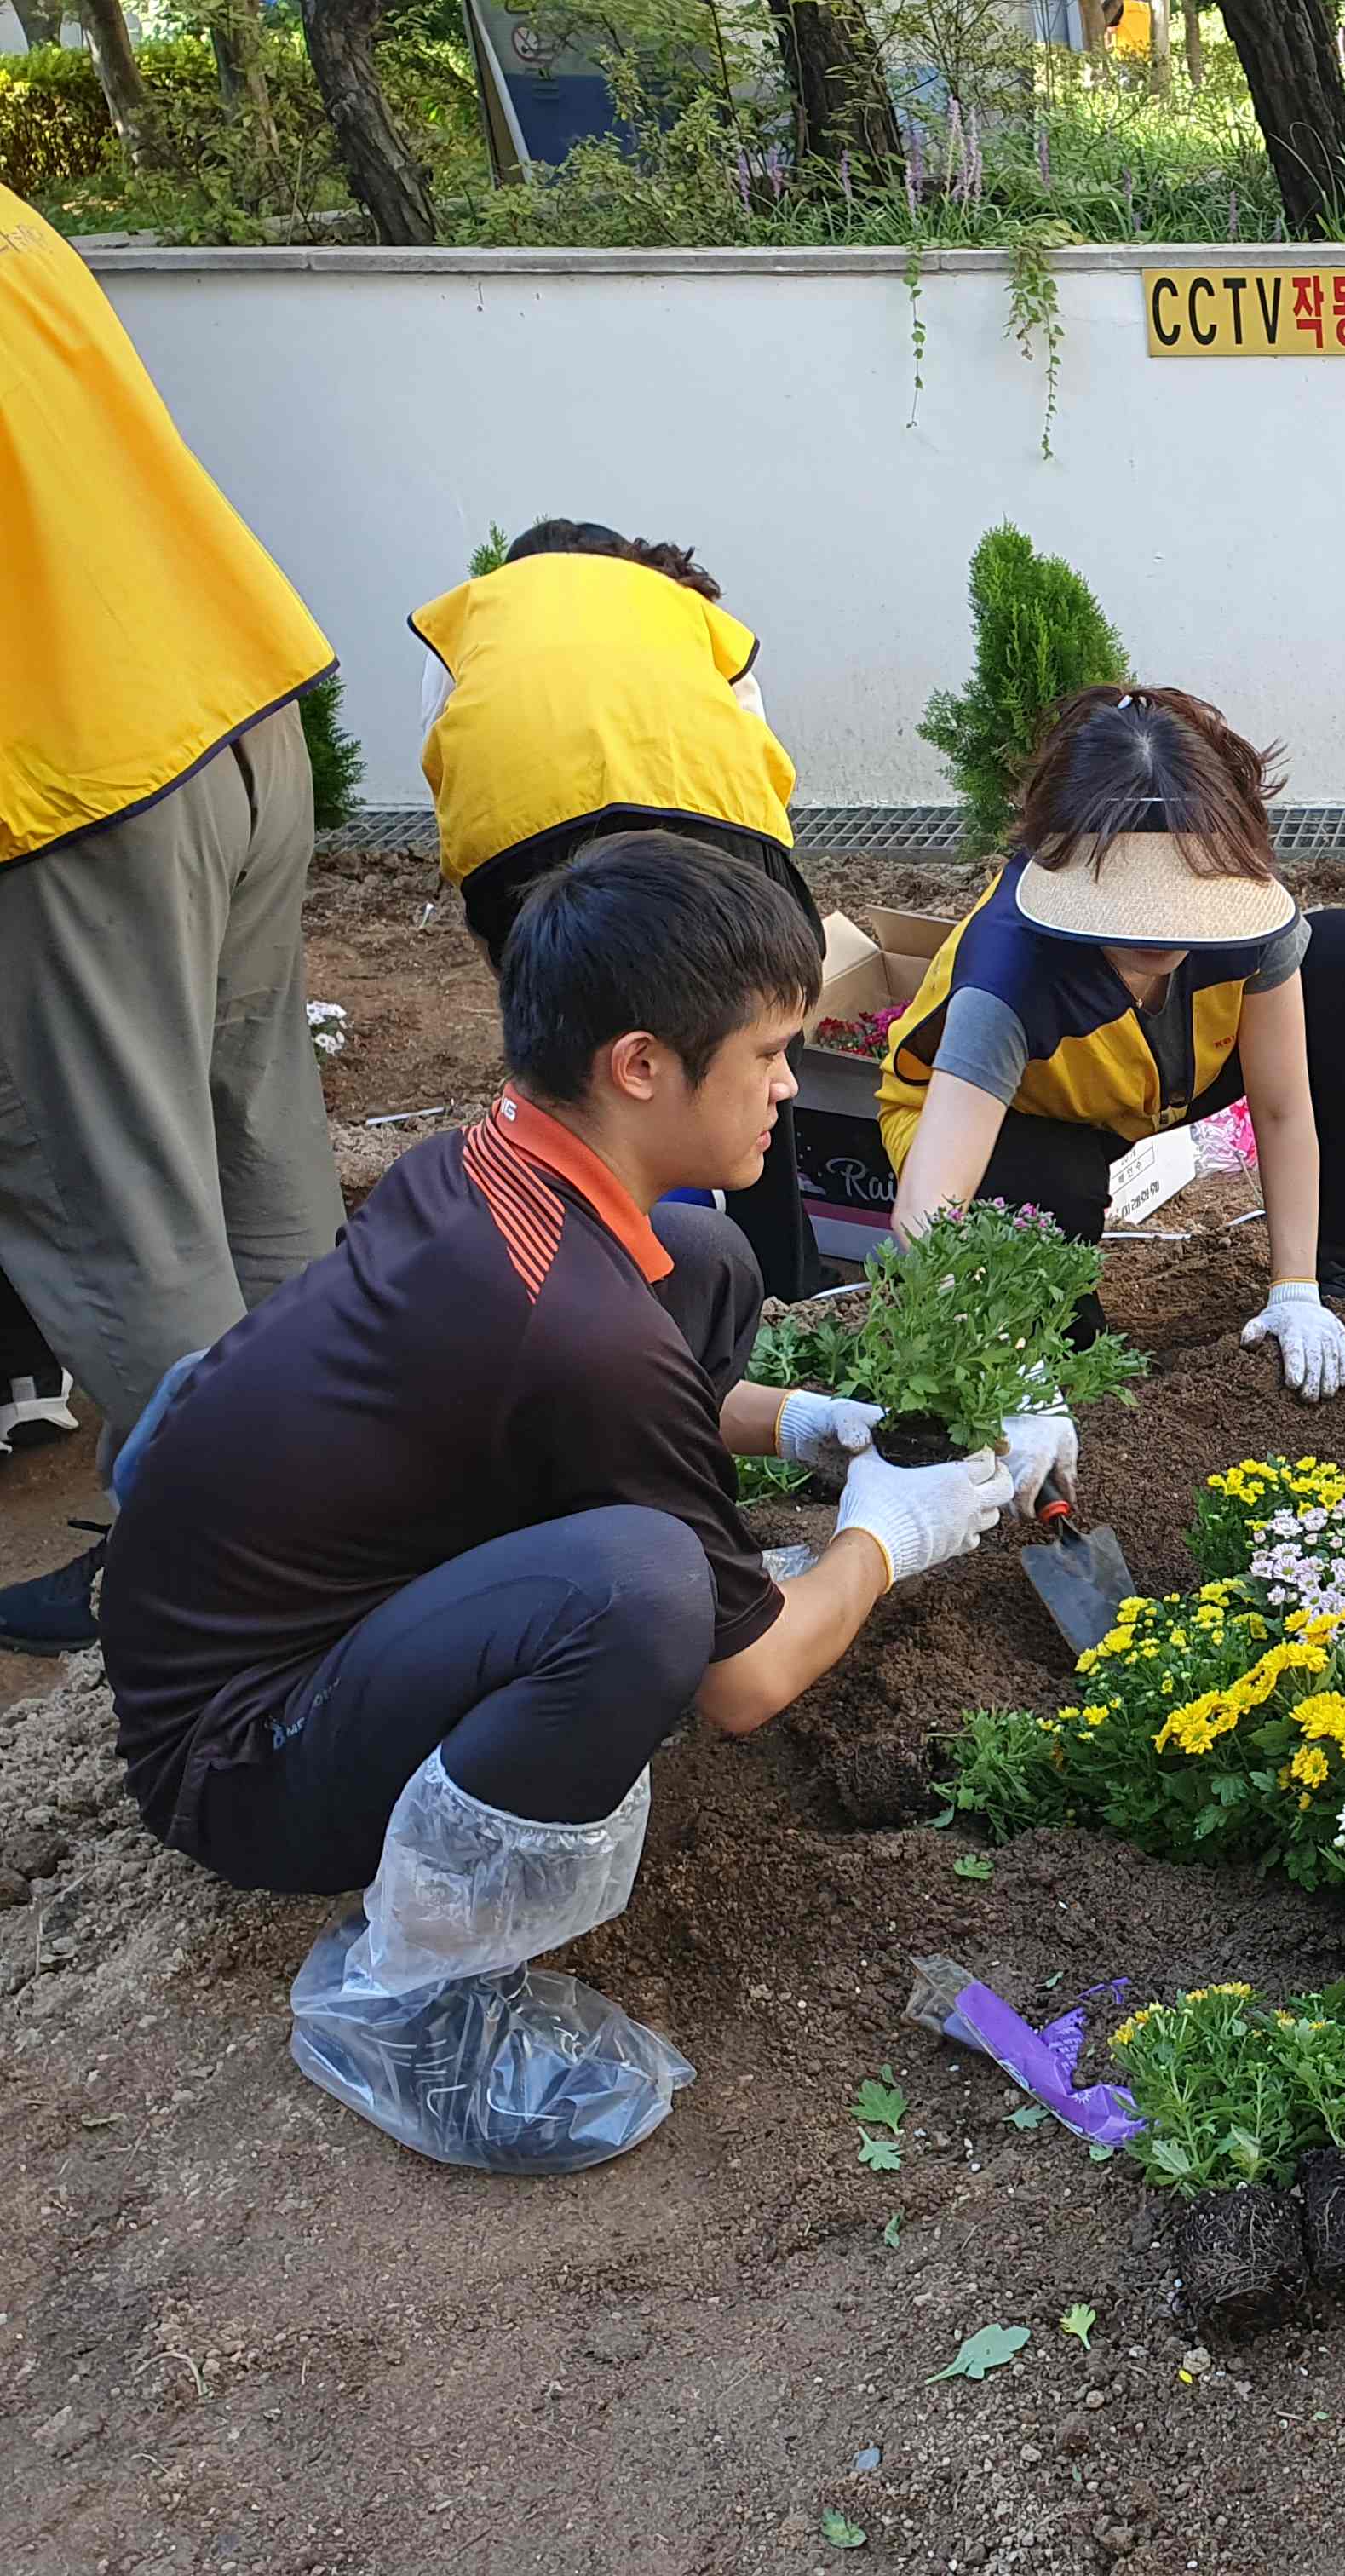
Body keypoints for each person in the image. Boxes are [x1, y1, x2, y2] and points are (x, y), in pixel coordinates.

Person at [99, 839, 1033, 2172]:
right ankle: (417, 2004)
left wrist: (817, 1427)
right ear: (641, 1064)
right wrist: (890, 1534)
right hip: (242, 1762)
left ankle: (642, 1568)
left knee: (702, 1261)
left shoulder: (483, 1166)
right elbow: (747, 1683)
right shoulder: (571, 1328)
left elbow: (589, 1383)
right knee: (644, 1592)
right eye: (769, 1054)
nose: (787, 1086)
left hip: (255, 1598)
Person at [0, 184, 348, 1656]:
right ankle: (358, 1520)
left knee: (119, 1213)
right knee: (256, 1142)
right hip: (233, 713)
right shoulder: (15, 227)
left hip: (67, 777)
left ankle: (243, 1609)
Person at [877, 686, 1345, 1404]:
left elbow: (1285, 1108)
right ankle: (1050, 1352)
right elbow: (930, 1206)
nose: (1160, 932)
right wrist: (977, 1340)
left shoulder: (1245, 914)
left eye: (1179, 902)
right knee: (1049, 1184)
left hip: (1165, 1071)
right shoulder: (1006, 977)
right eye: (1132, 906)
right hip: (1025, 1115)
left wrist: (1296, 1288)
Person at [409, 515, 826, 1296]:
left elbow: (446, 750)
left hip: (530, 833)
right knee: (752, 1049)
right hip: (714, 815)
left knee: (577, 1061)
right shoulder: (676, 607)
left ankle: (592, 1270)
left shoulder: (476, 615)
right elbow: (759, 749)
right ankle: (778, 1282)